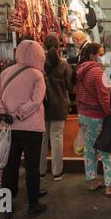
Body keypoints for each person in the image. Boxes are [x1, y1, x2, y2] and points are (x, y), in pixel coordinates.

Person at [0, 40, 47, 218]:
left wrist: (2, 114)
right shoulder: (37, 75)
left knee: (9, 167)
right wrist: (18, 114)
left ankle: (6, 206)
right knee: (32, 167)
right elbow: (36, 101)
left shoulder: (6, 72)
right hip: (31, 128)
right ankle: (33, 204)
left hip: (8, 128)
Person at [76, 43, 111, 196]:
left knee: (90, 149)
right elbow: (104, 97)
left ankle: (92, 181)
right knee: (107, 149)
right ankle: (109, 185)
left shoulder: (80, 70)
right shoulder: (96, 72)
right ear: (92, 55)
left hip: (83, 114)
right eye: (100, 54)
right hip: (96, 116)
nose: (103, 56)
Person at [40, 35, 73, 181]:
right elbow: (71, 86)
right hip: (59, 105)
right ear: (59, 47)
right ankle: (57, 172)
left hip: (42, 106)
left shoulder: (39, 64)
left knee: (42, 139)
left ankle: (40, 171)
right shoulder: (64, 65)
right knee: (56, 138)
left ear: (44, 45)